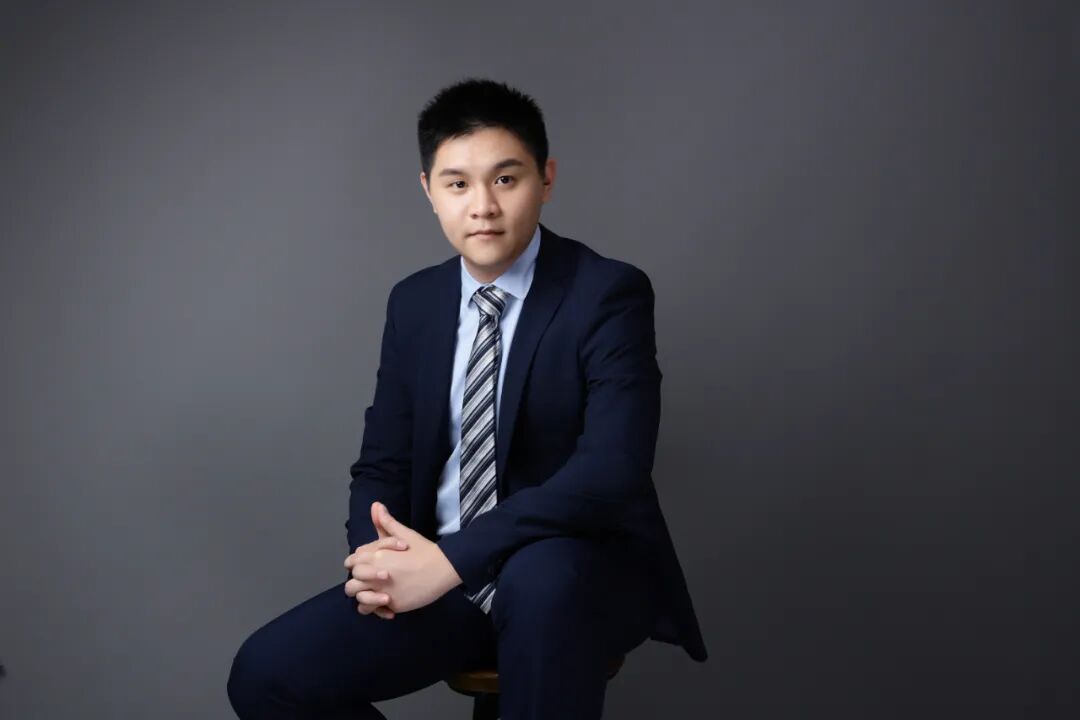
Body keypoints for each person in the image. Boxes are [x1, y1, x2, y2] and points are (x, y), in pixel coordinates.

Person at [227, 78, 707, 720]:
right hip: (445, 576)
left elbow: (610, 471)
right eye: (457, 184)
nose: (482, 206)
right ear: (428, 190)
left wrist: (453, 560)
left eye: (505, 179)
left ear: (545, 178)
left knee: (542, 583)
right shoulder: (415, 303)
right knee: (266, 676)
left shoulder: (606, 293)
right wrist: (379, 562)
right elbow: (383, 462)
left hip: (576, 569)